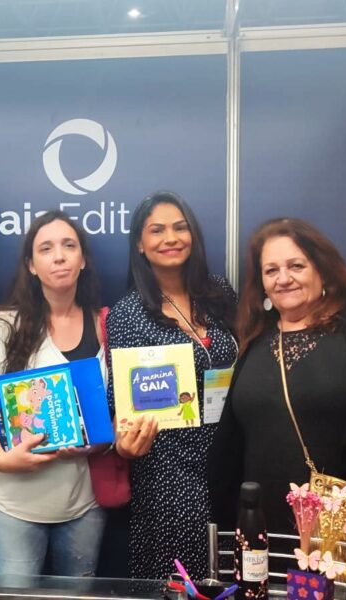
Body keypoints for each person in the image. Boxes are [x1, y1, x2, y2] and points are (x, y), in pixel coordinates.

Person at [0, 210, 106, 586]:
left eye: (69, 246)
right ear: (30, 265)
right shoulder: (2, 328)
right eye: (46, 248)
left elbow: (112, 411)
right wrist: (1, 459)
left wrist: (98, 444)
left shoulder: (105, 326)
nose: (59, 256)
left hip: (83, 504)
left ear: (83, 258)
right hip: (12, 504)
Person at [209, 217, 346, 534]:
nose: (283, 279)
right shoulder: (255, 336)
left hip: (343, 528)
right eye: (271, 270)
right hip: (262, 527)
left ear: (322, 268)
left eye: (296, 266)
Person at [106, 191, 238, 580]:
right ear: (140, 244)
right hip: (168, 472)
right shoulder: (127, 315)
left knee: (233, 576)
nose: (171, 238)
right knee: (177, 583)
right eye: (157, 230)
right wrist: (124, 442)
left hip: (230, 460)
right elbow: (120, 407)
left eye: (180, 228)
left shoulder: (220, 293)